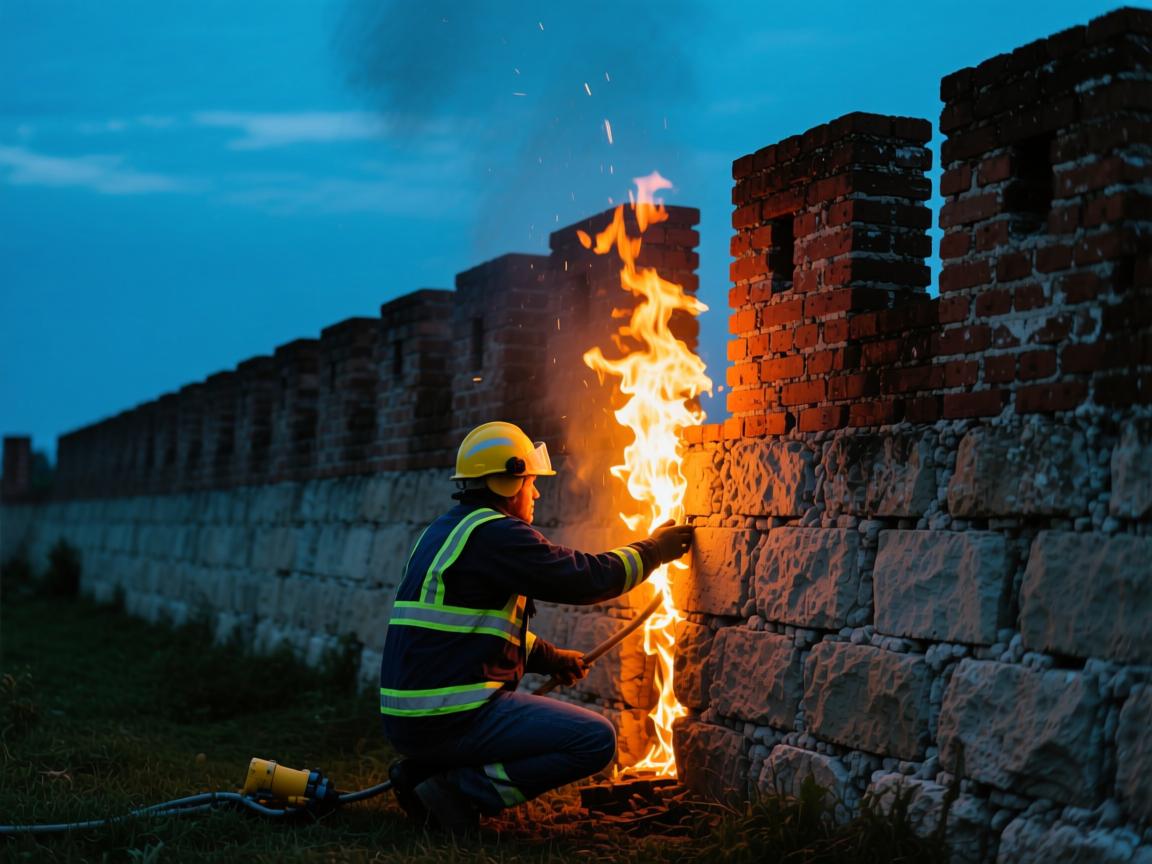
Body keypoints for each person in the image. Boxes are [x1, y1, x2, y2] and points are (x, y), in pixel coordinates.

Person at [379, 420, 694, 832]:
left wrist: (548, 657)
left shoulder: (443, 531)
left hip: (410, 720)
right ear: (508, 483)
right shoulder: (497, 535)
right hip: (449, 716)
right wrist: (654, 550)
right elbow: (586, 578)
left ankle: (429, 778)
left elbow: (468, 632)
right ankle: (457, 793)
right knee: (593, 740)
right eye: (530, 481)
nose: (537, 492)